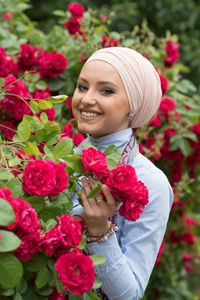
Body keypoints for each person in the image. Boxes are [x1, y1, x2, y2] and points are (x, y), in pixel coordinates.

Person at [71, 47, 173, 300]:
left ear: (133, 105)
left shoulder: (151, 182)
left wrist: (98, 229)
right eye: (83, 87)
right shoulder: (60, 160)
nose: (86, 99)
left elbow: (129, 294)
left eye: (106, 90)